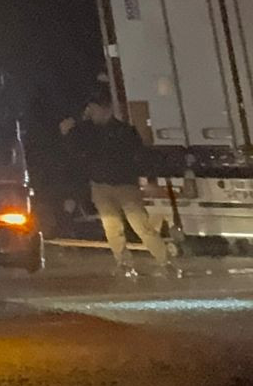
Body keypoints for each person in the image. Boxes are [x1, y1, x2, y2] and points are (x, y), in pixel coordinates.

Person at [61, 85, 177, 278]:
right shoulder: (89, 131)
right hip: (100, 185)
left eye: (95, 109)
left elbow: (133, 156)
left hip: (125, 186)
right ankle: (123, 263)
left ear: (106, 109)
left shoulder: (123, 131)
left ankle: (165, 262)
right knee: (112, 226)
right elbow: (75, 152)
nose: (92, 113)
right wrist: (70, 133)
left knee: (141, 225)